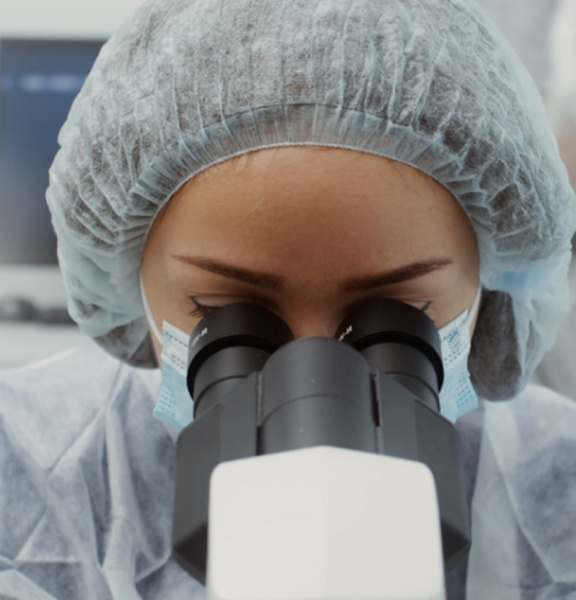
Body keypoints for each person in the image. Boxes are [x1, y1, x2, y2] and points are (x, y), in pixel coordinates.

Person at [1, 0, 575, 598]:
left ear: (496, 286)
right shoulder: (23, 472)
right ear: (128, 281)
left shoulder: (557, 492)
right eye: (228, 321)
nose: (312, 382)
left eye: (401, 320)